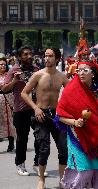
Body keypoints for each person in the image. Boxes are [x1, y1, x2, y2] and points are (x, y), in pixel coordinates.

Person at [54, 22, 98, 189]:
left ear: (94, 73)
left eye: (86, 70)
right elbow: (60, 115)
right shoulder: (71, 90)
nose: (82, 73)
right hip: (79, 136)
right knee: (85, 172)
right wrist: (75, 122)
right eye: (79, 70)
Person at [21, 48, 69, 189]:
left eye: (50, 56)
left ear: (57, 58)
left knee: (63, 149)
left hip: (57, 115)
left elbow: (72, 92)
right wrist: (35, 108)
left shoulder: (62, 76)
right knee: (44, 149)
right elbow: (24, 93)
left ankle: (62, 180)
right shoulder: (38, 75)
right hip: (40, 114)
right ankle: (41, 179)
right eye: (46, 55)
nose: (47, 58)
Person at [1, 46, 41, 176]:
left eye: (30, 54)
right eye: (25, 54)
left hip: (36, 108)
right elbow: (4, 89)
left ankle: (38, 163)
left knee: (40, 137)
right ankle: (20, 164)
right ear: (19, 57)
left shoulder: (36, 69)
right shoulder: (14, 70)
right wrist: (14, 81)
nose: (29, 56)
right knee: (22, 139)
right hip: (20, 110)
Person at [0, 57, 16, 152]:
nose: (3, 66)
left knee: (10, 121)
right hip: (0, 99)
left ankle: (11, 143)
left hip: (9, 99)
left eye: (4, 64)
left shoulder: (8, 76)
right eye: (1, 64)